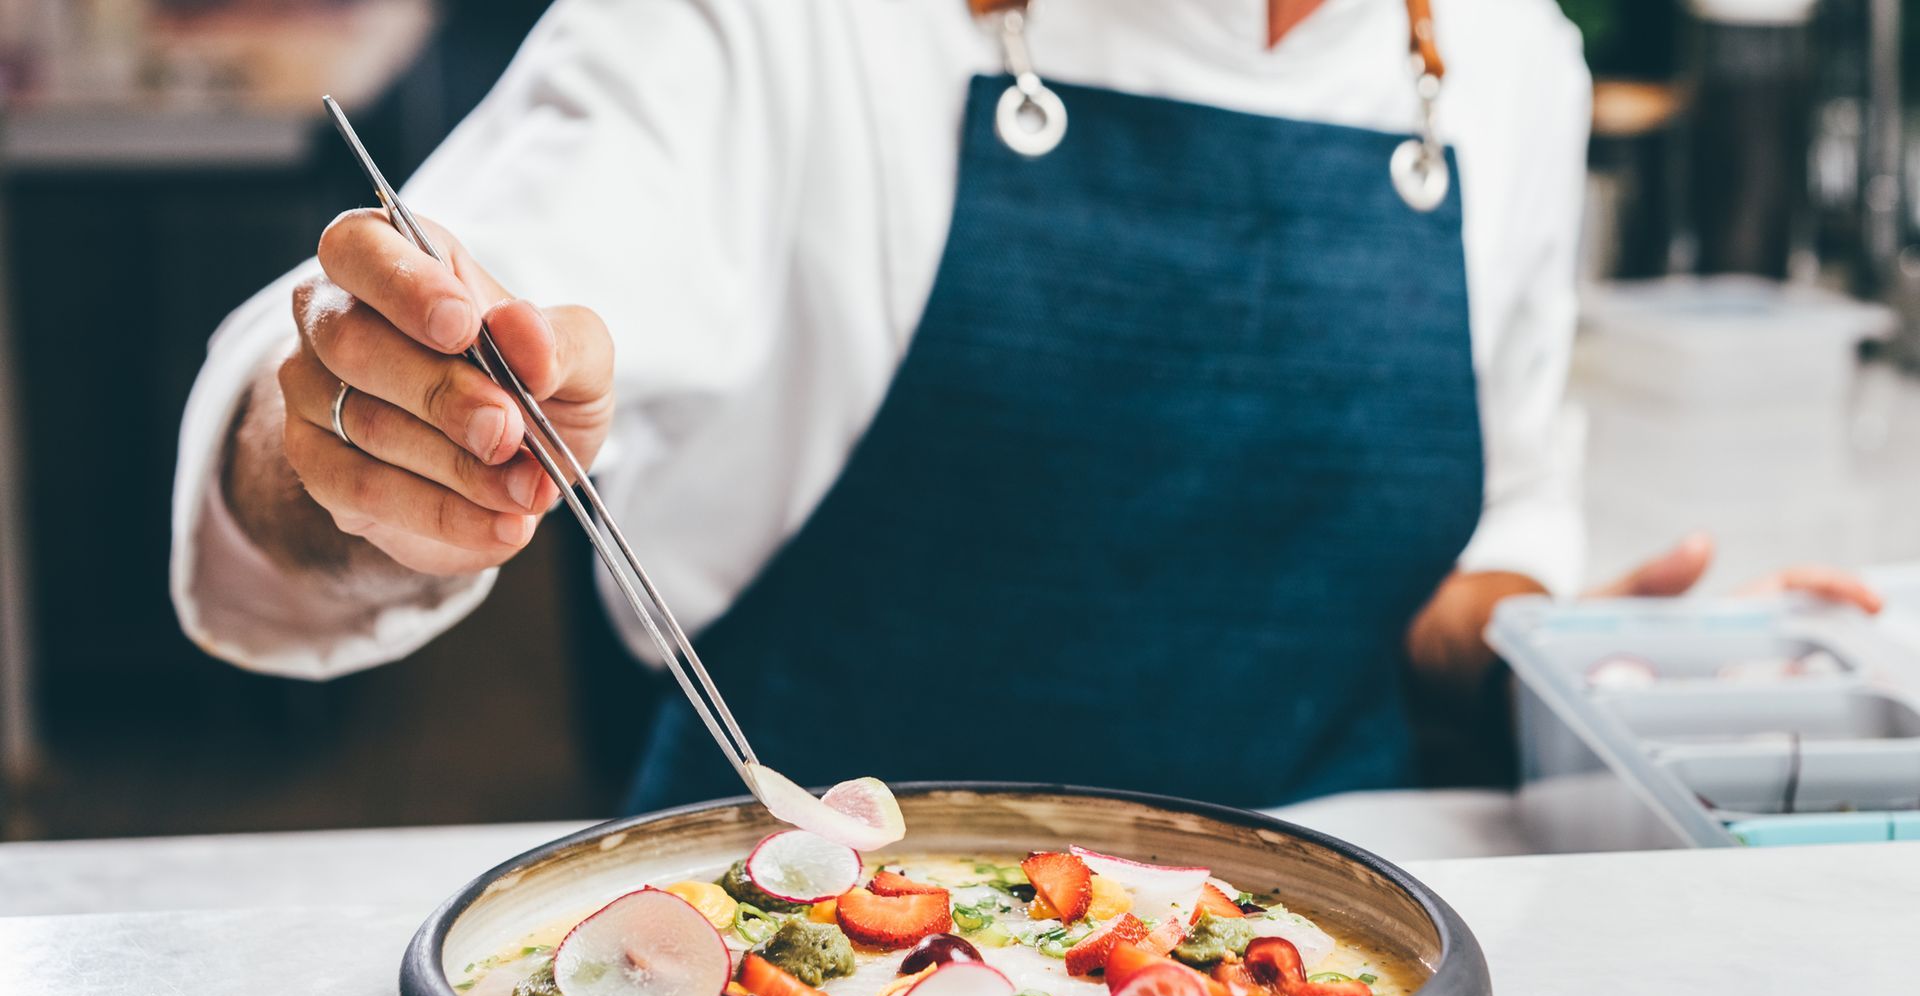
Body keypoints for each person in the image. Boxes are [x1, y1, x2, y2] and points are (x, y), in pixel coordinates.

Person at [170, 0, 1877, 813]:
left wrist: (1577, 653)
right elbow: (384, 346)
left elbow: (1460, 571)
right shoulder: (771, 27)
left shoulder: (1509, 58)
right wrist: (339, 431)